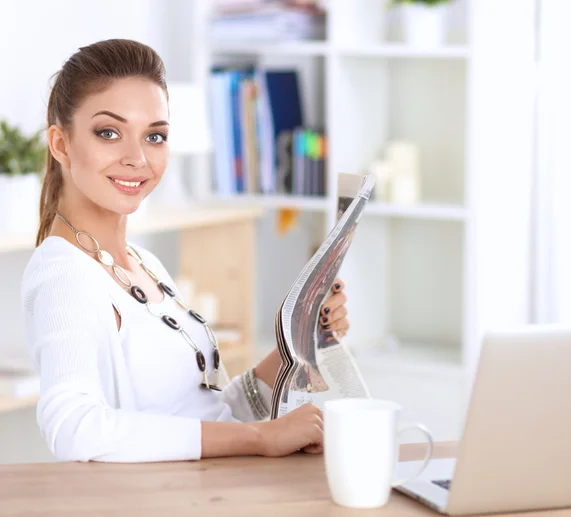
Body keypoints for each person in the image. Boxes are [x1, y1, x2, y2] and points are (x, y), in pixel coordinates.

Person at [20, 39, 350, 463]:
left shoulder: (144, 264)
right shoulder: (64, 274)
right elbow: (74, 429)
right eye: (109, 133)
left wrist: (300, 343)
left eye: (154, 136)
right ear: (61, 144)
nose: (137, 157)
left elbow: (210, 416)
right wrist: (256, 438)